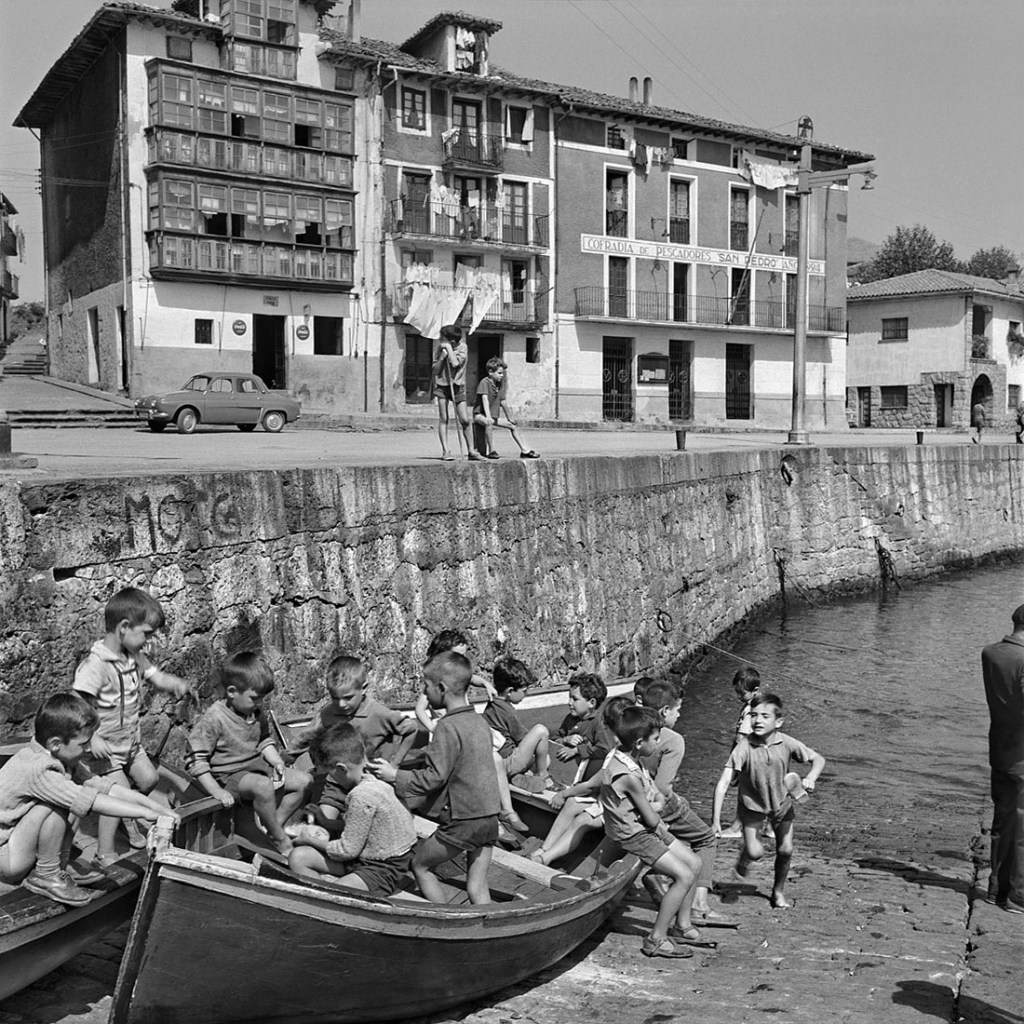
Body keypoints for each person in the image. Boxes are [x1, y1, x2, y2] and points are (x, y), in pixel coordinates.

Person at [0, 694, 177, 906]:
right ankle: (46, 875)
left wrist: (154, 806)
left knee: (76, 797)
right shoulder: (39, 769)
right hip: (7, 859)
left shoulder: (59, 757)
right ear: (56, 744)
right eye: (84, 744)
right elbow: (91, 801)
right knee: (60, 804)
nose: (88, 749)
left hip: (18, 846)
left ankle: (59, 867)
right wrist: (144, 813)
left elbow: (103, 787)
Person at [72, 587, 189, 868]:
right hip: (104, 748)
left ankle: (127, 816)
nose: (149, 640)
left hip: (130, 744)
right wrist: (92, 737)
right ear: (124, 627)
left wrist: (175, 683)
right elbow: (75, 703)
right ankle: (105, 852)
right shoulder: (96, 665)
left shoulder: (133, 656)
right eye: (146, 633)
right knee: (118, 789)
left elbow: (157, 677)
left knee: (149, 780)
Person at [372, 650, 500, 904]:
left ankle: (446, 917)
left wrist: (394, 775)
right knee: (477, 885)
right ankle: (487, 923)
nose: (424, 691)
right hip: (489, 818)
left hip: (464, 820)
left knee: (420, 866)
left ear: (441, 688)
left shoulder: (446, 726)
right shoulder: (479, 721)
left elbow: (433, 778)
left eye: (426, 685)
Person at [601, 705, 704, 959]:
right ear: (639, 742)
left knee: (695, 863)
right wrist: (656, 806)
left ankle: (682, 925)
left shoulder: (633, 760)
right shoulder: (627, 775)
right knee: (684, 876)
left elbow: (655, 798)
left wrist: (655, 805)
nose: (659, 743)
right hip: (633, 834)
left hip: (646, 827)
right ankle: (656, 938)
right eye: (656, 738)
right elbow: (651, 814)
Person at [187, 652, 312, 856]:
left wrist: (277, 761)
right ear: (232, 692)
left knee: (304, 781)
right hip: (229, 775)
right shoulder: (214, 719)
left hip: (256, 768)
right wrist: (216, 791)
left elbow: (263, 740)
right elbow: (196, 760)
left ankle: (274, 827)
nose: (260, 703)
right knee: (262, 786)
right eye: (255, 698)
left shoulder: (255, 712)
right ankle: (279, 838)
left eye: (262, 698)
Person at [711, 693, 825, 909]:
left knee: (786, 850)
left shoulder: (787, 742)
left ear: (778, 722)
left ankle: (778, 891)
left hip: (781, 805)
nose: (757, 720)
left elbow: (818, 759)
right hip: (751, 808)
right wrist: (715, 820)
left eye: (765, 716)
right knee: (756, 852)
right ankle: (745, 856)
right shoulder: (744, 747)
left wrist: (811, 777)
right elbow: (724, 782)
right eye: (753, 715)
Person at [640, 681, 734, 927]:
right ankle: (698, 903)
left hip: (634, 797)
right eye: (678, 710)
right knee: (706, 838)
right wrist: (676, 799)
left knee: (685, 814)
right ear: (665, 711)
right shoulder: (672, 740)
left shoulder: (634, 728)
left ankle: (661, 873)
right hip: (656, 803)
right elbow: (662, 787)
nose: (679, 715)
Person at [288, 723, 416, 895]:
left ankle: (322, 902)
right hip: (364, 857)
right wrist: (326, 821)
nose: (332, 779)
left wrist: (308, 839)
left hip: (382, 868)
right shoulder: (374, 778)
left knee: (334, 894)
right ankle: (317, 896)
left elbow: (346, 851)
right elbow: (359, 827)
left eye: (331, 774)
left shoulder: (362, 796)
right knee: (298, 857)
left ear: (341, 769)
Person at [306, 655, 419, 830]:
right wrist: (287, 757)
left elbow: (411, 729)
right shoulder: (328, 713)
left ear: (364, 688)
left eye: (348, 697)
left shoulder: (378, 713)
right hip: (338, 781)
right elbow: (309, 736)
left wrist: (394, 766)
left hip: (372, 782)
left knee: (366, 826)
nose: (341, 704)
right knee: (320, 825)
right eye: (335, 698)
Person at [529, 695, 634, 866]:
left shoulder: (620, 755)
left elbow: (592, 784)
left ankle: (545, 858)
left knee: (581, 820)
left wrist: (563, 794)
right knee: (572, 803)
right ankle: (545, 848)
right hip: (605, 796)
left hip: (617, 803)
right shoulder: (618, 748)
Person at [980, 607, 1024, 913]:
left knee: (1004, 820)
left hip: (1000, 746)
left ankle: (997, 889)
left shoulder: (991, 652)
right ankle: (1018, 896)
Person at [482, 656, 551, 788]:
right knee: (541, 732)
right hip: (508, 762)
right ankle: (543, 775)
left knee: (542, 758)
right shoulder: (507, 711)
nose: (526, 694)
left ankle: (517, 777)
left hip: (495, 764)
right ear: (510, 691)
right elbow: (522, 738)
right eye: (524, 691)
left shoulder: (491, 705)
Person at [720, 666, 763, 840]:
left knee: (744, 793)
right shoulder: (761, 705)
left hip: (747, 757)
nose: (738, 696)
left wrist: (734, 763)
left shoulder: (751, 710)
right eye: (737, 692)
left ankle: (737, 827)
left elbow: (740, 738)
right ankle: (768, 826)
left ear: (755, 691)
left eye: (742, 693)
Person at [472, 357, 539, 460]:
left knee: (512, 426)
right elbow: (485, 399)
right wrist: (488, 416)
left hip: (492, 416)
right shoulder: (484, 382)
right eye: (499, 373)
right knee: (488, 423)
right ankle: (491, 450)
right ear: (491, 372)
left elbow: (503, 401)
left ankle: (524, 450)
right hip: (480, 415)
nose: (502, 375)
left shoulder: (499, 384)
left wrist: (509, 417)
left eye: (502, 373)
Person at [433, 324, 481, 462]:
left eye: (443, 338)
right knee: (444, 418)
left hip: (457, 386)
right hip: (442, 386)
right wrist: (441, 357)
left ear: (452, 341)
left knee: (465, 420)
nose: (440, 340)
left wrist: (448, 349)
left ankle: (471, 451)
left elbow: (455, 363)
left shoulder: (463, 347)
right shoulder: (440, 348)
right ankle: (446, 451)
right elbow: (435, 370)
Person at [554, 673, 612, 781]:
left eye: (575, 699)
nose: (569, 703)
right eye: (569, 698)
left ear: (591, 703)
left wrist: (576, 750)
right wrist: (565, 740)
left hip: (590, 778)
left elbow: (604, 749)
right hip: (566, 774)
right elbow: (554, 741)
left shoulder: (598, 722)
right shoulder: (569, 719)